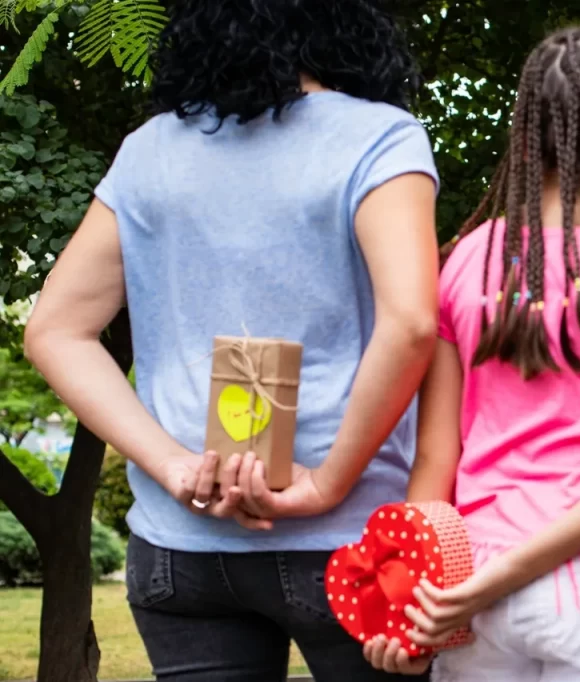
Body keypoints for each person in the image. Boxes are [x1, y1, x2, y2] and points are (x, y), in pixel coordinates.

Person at [23, 1, 439, 680]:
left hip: (180, 549)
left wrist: (174, 466)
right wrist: (326, 486)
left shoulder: (150, 148)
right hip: (355, 546)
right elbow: (414, 321)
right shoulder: (379, 138)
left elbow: (55, 330)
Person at [351, 24, 580, 681]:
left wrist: (412, 600)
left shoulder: (466, 260)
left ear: (525, 131)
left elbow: (438, 457)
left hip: (475, 580)